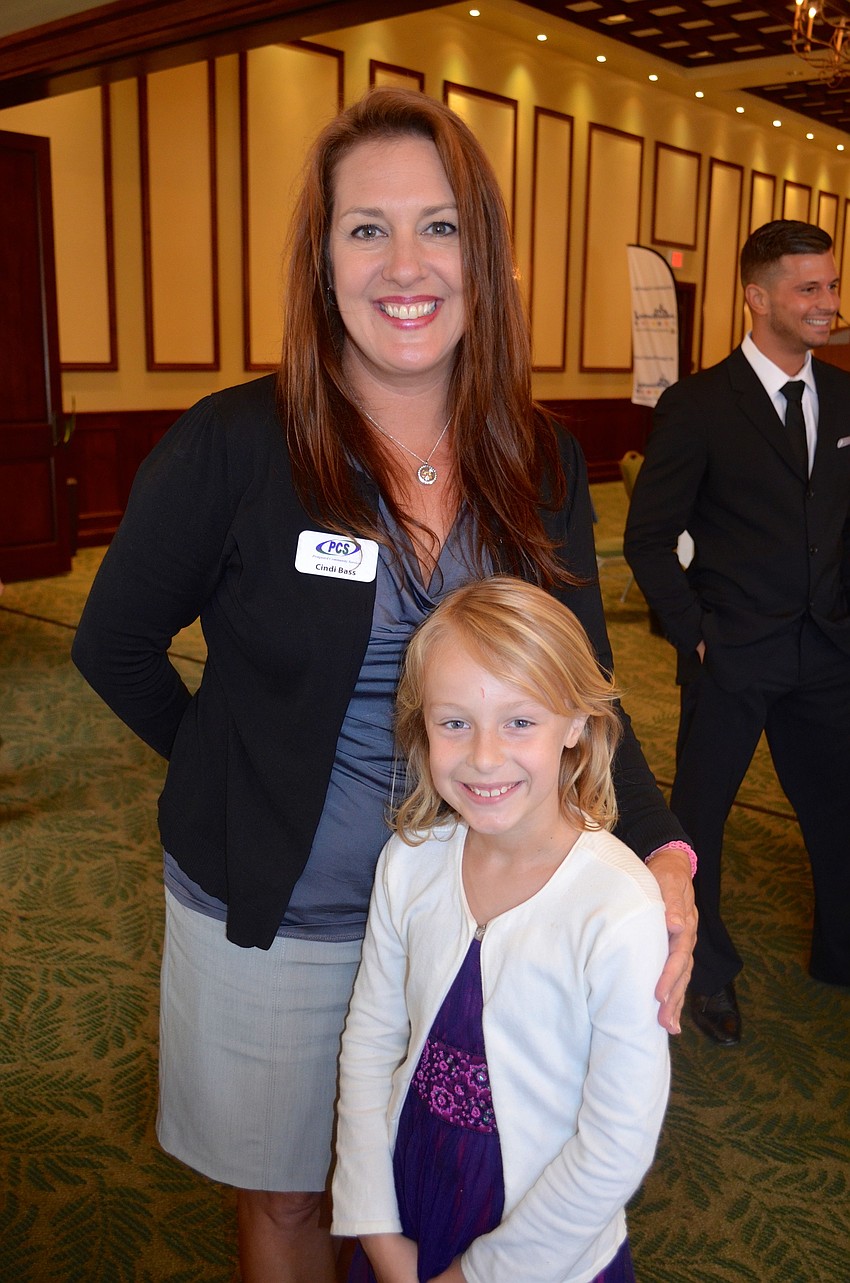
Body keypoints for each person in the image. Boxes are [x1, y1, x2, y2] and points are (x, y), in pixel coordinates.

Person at [72, 87, 695, 1282]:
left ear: (485, 257)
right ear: (322, 260)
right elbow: (114, 645)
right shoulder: (235, 442)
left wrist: (663, 849)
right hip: (283, 915)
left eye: (441, 225)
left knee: (451, 1196)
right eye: (367, 228)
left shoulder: (539, 453)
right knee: (298, 1203)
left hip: (481, 913)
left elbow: (583, 683)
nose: (405, 264)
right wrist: (237, 768)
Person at [332, 577, 670, 1283]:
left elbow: (615, 1143)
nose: (484, 757)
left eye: (520, 721)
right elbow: (369, 1043)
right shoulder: (411, 863)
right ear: (421, 725)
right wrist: (377, 1229)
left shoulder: (618, 906)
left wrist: (475, 1275)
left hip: (543, 1242)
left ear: (575, 722)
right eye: (454, 722)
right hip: (411, 1188)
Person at [624, 219, 850, 1047]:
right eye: (809, 289)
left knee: (837, 809)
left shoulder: (848, 398)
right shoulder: (698, 406)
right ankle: (708, 972)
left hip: (828, 653)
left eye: (831, 286)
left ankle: (840, 952)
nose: (828, 303)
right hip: (732, 653)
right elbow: (649, 539)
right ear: (757, 298)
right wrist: (698, 636)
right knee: (696, 826)